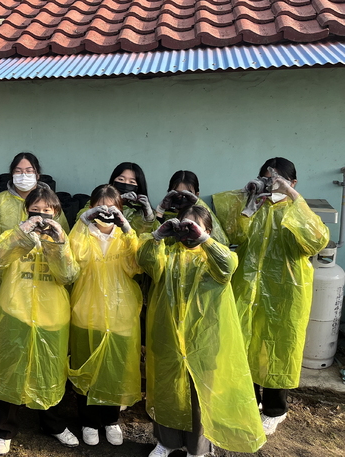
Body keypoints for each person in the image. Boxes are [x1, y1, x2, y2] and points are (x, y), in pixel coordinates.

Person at [212, 157, 329, 435]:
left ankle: (276, 410)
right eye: (266, 178)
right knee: (246, 345)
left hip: (285, 292)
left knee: (279, 348)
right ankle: (248, 403)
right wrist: (247, 198)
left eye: (278, 180)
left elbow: (317, 240)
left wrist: (291, 195)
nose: (271, 184)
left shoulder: (297, 210)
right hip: (247, 289)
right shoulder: (253, 207)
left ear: (293, 183)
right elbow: (225, 233)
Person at [137, 206, 265, 457]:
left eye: (196, 227)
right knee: (167, 392)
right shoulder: (167, 254)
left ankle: (198, 449)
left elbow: (228, 265)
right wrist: (157, 237)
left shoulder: (217, 258)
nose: (189, 232)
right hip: (169, 338)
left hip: (205, 341)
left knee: (199, 397)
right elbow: (145, 260)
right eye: (185, 225)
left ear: (208, 230)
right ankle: (166, 442)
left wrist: (205, 241)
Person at [0, 187, 80, 455]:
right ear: (26, 212)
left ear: (56, 213)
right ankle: (4, 430)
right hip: (16, 313)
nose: (41, 216)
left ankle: (53, 425)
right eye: (34, 211)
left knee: (50, 371)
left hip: (51, 318)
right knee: (11, 369)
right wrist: (21, 233)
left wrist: (58, 244)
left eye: (46, 211)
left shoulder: (63, 238)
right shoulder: (14, 234)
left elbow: (69, 275)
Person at [68, 185, 142, 447]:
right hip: (86, 312)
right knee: (86, 368)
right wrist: (81, 223)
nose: (106, 213)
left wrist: (129, 229)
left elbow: (138, 264)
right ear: (91, 208)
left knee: (115, 370)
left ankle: (110, 420)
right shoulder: (82, 235)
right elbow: (71, 260)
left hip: (120, 315)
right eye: (100, 207)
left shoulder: (125, 238)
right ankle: (88, 421)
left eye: (113, 208)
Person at [0, 152, 69, 331]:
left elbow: (64, 243)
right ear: (12, 175)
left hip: (44, 281)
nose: (24, 175)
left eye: (29, 171)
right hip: (7, 281)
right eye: (18, 171)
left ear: (37, 175)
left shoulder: (52, 204)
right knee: (7, 332)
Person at [153, 170, 229, 245]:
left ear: (196, 194)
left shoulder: (201, 216)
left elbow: (221, 242)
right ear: (169, 193)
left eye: (188, 194)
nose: (182, 197)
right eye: (176, 193)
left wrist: (198, 203)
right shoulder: (163, 216)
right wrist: (160, 212)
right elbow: (152, 245)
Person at [109, 162, 157, 234]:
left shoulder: (141, 211)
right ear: (113, 182)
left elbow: (144, 237)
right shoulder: (99, 200)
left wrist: (149, 216)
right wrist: (115, 201)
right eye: (121, 179)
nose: (126, 183)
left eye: (132, 182)